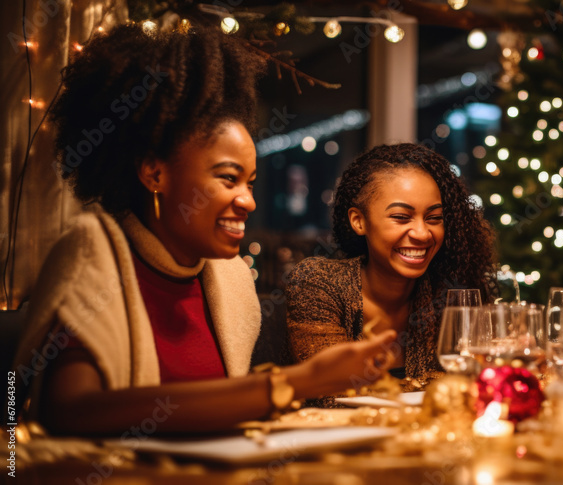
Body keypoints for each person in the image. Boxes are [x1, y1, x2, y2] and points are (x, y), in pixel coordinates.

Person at [11, 24, 395, 435]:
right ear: (154, 172)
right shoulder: (94, 253)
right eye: (228, 179)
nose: (247, 200)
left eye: (249, 182)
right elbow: (72, 414)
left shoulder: (229, 280)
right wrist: (294, 384)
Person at [285, 143, 496, 403]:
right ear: (358, 221)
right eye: (401, 217)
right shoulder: (318, 282)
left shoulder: (451, 293)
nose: (422, 233)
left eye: (434, 218)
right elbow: (331, 396)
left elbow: (483, 390)